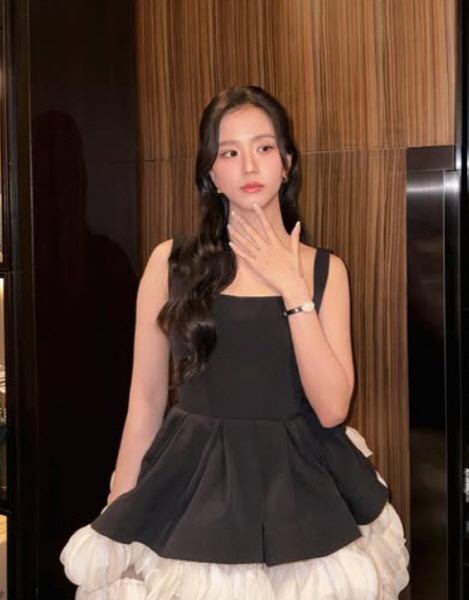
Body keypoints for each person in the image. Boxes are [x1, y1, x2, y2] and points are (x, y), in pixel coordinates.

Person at [61, 85, 409, 599]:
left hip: (301, 488)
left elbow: (333, 408)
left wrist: (290, 284)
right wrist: (121, 498)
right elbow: (146, 400)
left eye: (264, 147)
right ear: (211, 173)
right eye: (229, 152)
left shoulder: (324, 270)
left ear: (286, 164)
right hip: (194, 485)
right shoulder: (169, 263)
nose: (249, 165)